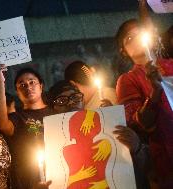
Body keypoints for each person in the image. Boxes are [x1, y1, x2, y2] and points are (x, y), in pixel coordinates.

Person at [48, 80, 151, 189]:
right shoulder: (53, 147)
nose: (70, 103)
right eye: (62, 100)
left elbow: (147, 167)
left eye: (75, 97)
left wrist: (136, 146)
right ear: (53, 108)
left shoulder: (108, 126)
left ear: (82, 100)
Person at [115, 18, 173, 188]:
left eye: (140, 32)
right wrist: (155, 92)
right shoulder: (128, 80)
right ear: (124, 51)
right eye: (129, 38)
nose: (137, 38)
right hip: (166, 160)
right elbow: (139, 125)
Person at [0, 63, 52, 189]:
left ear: (41, 86)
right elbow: (2, 124)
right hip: (31, 183)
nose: (28, 87)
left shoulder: (56, 113)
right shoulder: (17, 117)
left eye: (32, 82)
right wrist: (0, 83)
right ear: (17, 92)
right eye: (22, 85)